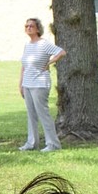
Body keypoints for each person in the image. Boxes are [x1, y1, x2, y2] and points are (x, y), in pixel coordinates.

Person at [19, 17, 65, 152]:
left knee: (43, 113)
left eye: (31, 26)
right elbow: (24, 66)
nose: (28, 28)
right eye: (26, 26)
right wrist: (21, 84)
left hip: (40, 83)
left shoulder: (44, 44)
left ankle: (53, 144)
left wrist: (49, 63)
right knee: (31, 114)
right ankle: (31, 142)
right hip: (27, 83)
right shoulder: (27, 45)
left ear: (38, 29)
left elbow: (61, 52)